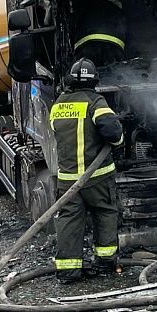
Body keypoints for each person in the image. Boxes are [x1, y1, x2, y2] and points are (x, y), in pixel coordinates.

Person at [49, 58, 124, 284]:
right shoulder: (95, 102)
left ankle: (68, 271)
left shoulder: (58, 104)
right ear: (95, 81)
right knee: (105, 214)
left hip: (67, 180)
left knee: (69, 221)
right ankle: (105, 264)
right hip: (96, 177)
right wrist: (119, 140)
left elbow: (57, 131)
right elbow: (111, 130)